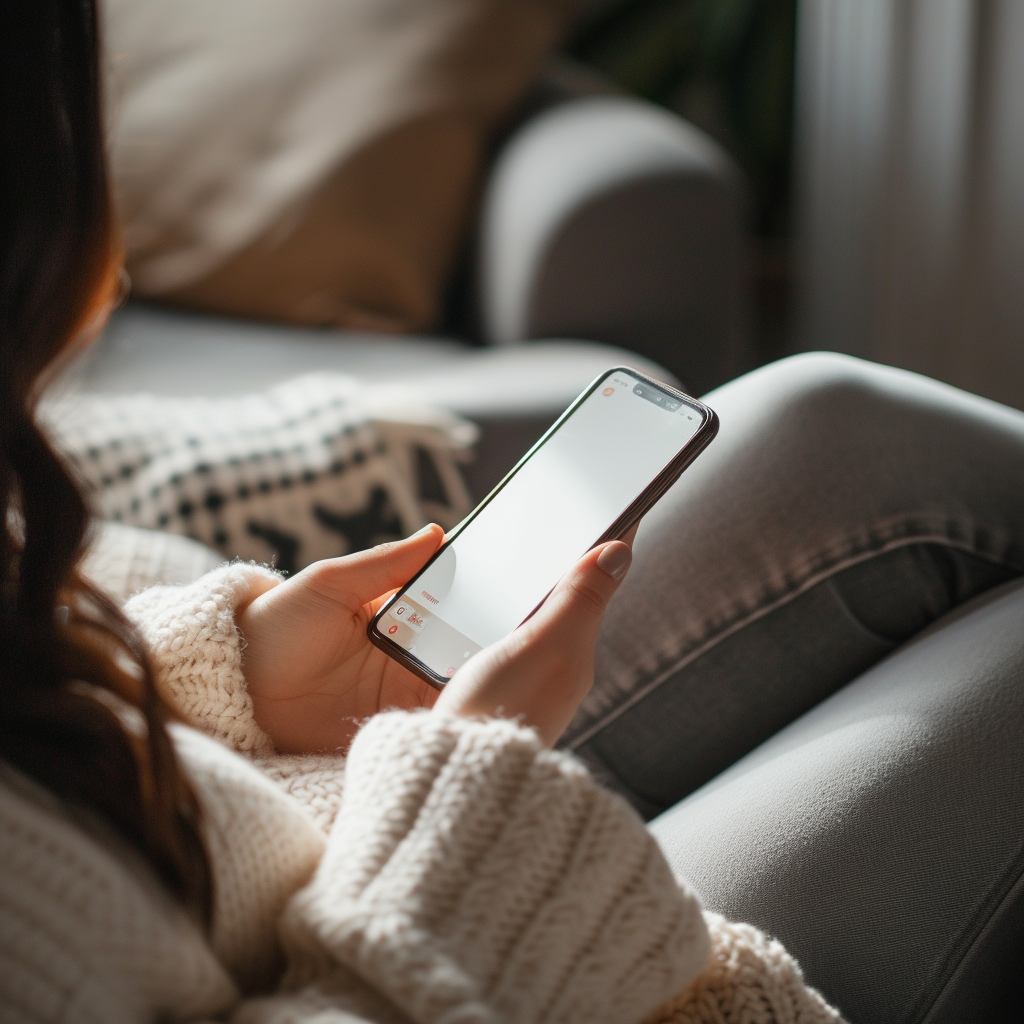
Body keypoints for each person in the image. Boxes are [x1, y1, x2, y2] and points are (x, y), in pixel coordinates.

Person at [5, 4, 1024, 1024]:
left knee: (829, 421)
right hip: (479, 933)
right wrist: (471, 780)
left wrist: (226, 679)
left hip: (312, 813)